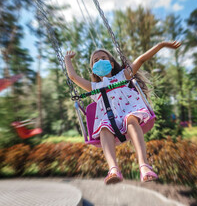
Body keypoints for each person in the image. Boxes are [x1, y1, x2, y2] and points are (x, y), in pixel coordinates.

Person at [65, 41, 182, 184]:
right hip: (109, 120)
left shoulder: (122, 76)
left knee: (131, 120)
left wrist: (160, 45)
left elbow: (141, 60)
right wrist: (67, 59)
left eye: (103, 58)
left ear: (112, 64)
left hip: (128, 113)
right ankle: (113, 169)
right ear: (93, 69)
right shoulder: (94, 87)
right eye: (96, 60)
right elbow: (73, 77)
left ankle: (144, 166)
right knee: (103, 129)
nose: (100, 61)